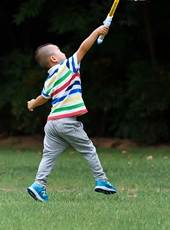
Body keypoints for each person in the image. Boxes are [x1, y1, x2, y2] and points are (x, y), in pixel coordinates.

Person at [25, 25, 116, 202]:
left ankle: (38, 185)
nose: (63, 53)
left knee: (48, 156)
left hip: (52, 124)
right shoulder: (67, 66)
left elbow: (43, 98)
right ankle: (102, 180)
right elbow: (83, 48)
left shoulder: (49, 79)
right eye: (59, 51)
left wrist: (32, 104)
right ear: (53, 58)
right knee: (89, 149)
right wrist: (96, 32)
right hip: (66, 122)